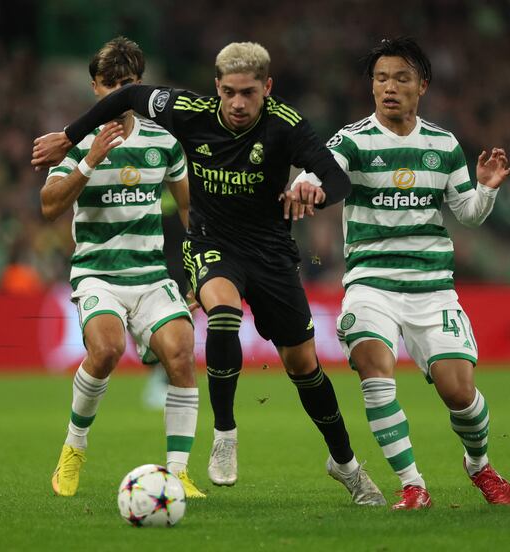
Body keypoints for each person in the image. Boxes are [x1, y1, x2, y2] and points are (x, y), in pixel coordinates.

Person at [33, 41, 385, 506]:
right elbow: (51, 203)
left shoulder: (222, 133)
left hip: (248, 258)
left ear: (267, 89)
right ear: (216, 89)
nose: (238, 103)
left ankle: (335, 464)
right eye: (230, 92)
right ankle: (202, 438)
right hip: (151, 261)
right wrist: (76, 142)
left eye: (249, 93)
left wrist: (311, 188)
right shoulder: (166, 119)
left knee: (275, 363)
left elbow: (192, 204)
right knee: (151, 334)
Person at [292, 37, 510, 509]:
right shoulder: (353, 140)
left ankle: (478, 465)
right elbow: (321, 171)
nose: (388, 87)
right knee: (375, 369)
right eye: (380, 78)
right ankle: (413, 484)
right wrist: (304, 184)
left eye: (400, 78)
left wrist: (486, 189)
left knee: (460, 393)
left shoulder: (443, 144)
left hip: (432, 288)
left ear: (422, 86)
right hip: (370, 283)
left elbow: (468, 213)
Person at [40, 36, 205, 499]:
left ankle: (177, 474)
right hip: (99, 274)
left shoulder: (163, 141)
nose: (117, 94)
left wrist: (200, 269)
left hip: (152, 276)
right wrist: (89, 161)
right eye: (109, 84)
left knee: (181, 353)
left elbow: (190, 211)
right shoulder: (77, 142)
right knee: (107, 350)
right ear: (95, 87)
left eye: (127, 85)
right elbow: (49, 206)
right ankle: (74, 449)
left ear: (139, 86)